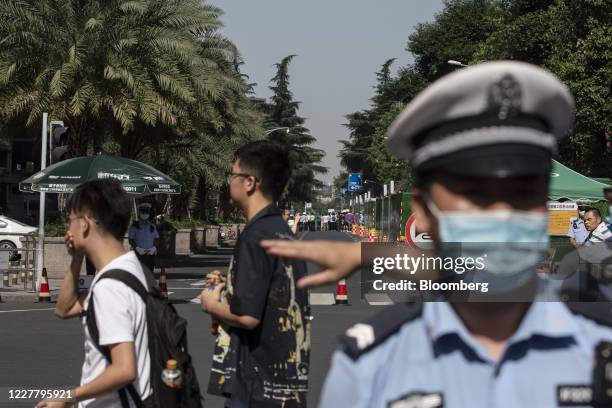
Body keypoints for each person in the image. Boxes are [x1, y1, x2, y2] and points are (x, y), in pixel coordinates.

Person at [262, 61, 612, 407]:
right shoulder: (373, 364)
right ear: (424, 212)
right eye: (476, 194)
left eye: (525, 191)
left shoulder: (600, 340)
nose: (504, 213)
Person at [201, 140, 310, 407]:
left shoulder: (254, 236)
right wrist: (231, 285)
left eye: (233, 175)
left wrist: (211, 303)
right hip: (286, 386)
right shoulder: (283, 232)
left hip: (256, 388)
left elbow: (247, 317)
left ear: (249, 182)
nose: (230, 182)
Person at [41, 179, 152, 407]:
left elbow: (124, 369)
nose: (67, 230)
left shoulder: (110, 287)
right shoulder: (128, 268)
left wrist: (68, 397)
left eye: (69, 221)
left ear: (84, 224)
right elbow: (64, 309)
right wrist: (77, 257)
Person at [128, 203, 159, 273]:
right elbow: (131, 240)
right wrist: (138, 248)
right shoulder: (135, 226)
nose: (145, 214)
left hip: (150, 254)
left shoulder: (152, 226)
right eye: (143, 212)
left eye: (147, 212)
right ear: (139, 213)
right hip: (139, 254)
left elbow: (157, 238)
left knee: (150, 273)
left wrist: (154, 248)